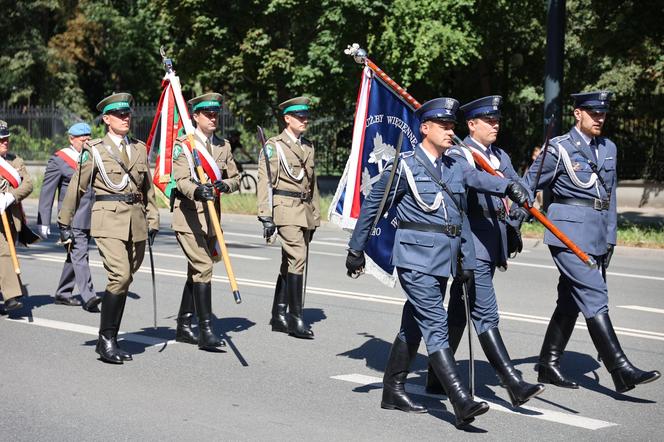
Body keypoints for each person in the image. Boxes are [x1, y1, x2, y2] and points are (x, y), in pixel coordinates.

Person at [345, 98, 531, 428]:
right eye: (443, 125)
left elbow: (478, 185)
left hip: (443, 261)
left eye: (452, 126)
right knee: (436, 323)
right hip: (415, 259)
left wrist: (509, 187)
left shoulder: (455, 166)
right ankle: (461, 401)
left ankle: (393, 388)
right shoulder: (405, 166)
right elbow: (373, 205)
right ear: (425, 128)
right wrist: (356, 249)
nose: (450, 131)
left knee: (414, 323)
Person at [513, 91, 660, 393]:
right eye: (593, 113)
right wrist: (510, 226)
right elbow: (526, 187)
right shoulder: (559, 148)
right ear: (577, 114)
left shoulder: (609, 148)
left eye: (603, 114)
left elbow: (610, 197)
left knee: (570, 300)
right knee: (594, 295)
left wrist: (610, 238)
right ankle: (621, 370)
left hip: (595, 234)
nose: (599, 119)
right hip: (567, 234)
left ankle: (547, 364)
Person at [425, 96, 544, 407]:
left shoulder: (499, 155)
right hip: (471, 245)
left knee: (458, 311)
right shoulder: (459, 155)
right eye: (488, 121)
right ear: (472, 124)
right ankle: (512, 382)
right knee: (485, 312)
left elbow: (520, 188)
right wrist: (505, 186)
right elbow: (473, 180)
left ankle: (436, 375)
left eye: (497, 121)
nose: (495, 125)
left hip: (493, 244)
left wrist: (517, 215)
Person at [58, 93, 159, 364]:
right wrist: (64, 222)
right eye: (119, 114)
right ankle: (107, 340)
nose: (125, 118)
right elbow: (77, 188)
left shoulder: (138, 148)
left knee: (126, 278)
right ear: (106, 119)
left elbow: (146, 188)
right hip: (107, 219)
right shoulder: (95, 150)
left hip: (136, 220)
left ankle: (109, 337)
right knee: (120, 275)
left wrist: (153, 219)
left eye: (127, 114)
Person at [170, 93, 240, 351]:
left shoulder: (223, 146)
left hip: (212, 218)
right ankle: (205, 330)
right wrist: (198, 190)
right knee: (203, 267)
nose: (213, 118)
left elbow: (235, 177)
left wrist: (226, 185)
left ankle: (184, 325)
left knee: (197, 270)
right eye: (207, 114)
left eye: (215, 114)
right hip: (188, 216)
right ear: (196, 117)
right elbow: (181, 179)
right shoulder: (185, 145)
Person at [257, 96, 321, 339]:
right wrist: (265, 215)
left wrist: (315, 215)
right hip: (284, 208)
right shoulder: (275, 146)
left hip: (304, 210)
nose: (305, 120)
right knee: (298, 257)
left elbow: (311, 186)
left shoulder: (308, 146)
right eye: (300, 116)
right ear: (287, 119)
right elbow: (264, 181)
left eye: (306, 116)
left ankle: (279, 314)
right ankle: (296, 318)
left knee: (289, 261)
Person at [37, 122, 101, 312]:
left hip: (90, 213)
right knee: (80, 253)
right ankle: (89, 297)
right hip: (71, 216)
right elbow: (47, 191)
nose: (86, 141)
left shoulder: (93, 156)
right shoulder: (60, 159)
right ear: (71, 139)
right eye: (83, 139)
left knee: (74, 253)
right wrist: (43, 220)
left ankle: (63, 293)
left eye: (89, 138)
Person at [0, 120, 33, 311]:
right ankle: (11, 296)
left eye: (6, 138)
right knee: (4, 252)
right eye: (1, 139)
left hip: (10, 217)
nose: (5, 142)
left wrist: (10, 196)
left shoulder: (16, 161)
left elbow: (28, 185)